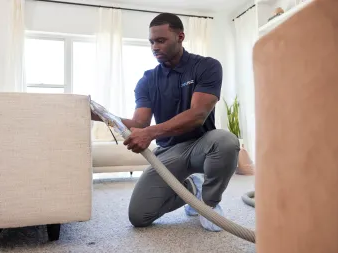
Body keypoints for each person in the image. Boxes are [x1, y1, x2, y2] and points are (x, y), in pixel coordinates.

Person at [91, 13, 240, 232]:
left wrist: (151, 133)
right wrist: (99, 115)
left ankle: (208, 203)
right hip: (168, 151)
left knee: (226, 141)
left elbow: (198, 114)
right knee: (139, 215)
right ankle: (192, 188)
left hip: (202, 145)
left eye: (161, 41)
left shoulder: (206, 66)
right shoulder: (148, 80)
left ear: (180, 37)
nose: (154, 47)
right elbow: (139, 123)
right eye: (151, 42)